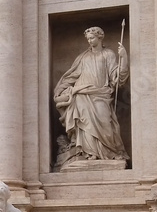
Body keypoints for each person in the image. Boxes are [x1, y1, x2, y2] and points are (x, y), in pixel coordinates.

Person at [53, 26, 129, 166]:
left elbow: (117, 78)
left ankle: (109, 153)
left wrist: (123, 58)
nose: (89, 41)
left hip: (101, 94)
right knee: (84, 124)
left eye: (92, 38)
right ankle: (89, 153)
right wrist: (61, 89)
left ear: (100, 37)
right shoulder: (83, 57)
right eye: (87, 39)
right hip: (81, 94)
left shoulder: (108, 54)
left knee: (105, 123)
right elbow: (72, 76)